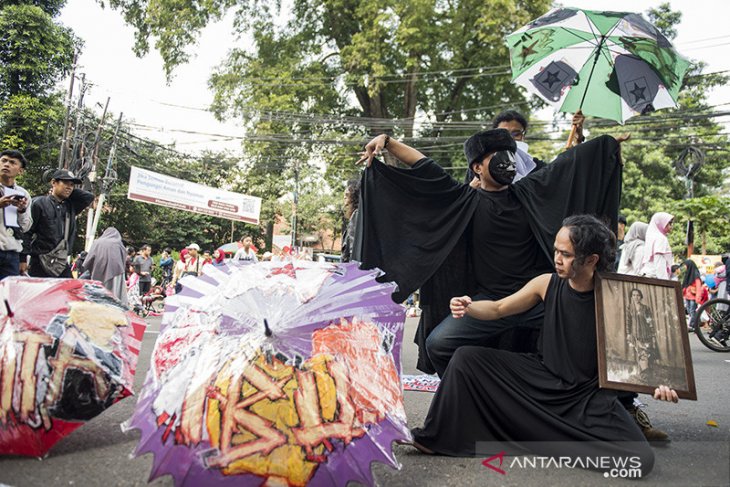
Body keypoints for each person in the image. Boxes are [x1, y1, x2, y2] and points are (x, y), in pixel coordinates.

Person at [410, 215, 679, 477]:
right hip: (542, 378)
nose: (557, 259)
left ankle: (538, 439)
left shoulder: (615, 296)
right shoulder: (546, 283)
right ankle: (436, 436)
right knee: (466, 359)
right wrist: (468, 307)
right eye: (556, 251)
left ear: (592, 260)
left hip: (588, 397)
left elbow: (642, 350)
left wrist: (658, 382)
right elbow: (498, 308)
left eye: (566, 254)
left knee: (639, 461)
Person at [356, 128, 623, 377]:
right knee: (438, 343)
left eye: (511, 154)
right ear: (477, 167)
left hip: (538, 298)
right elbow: (426, 168)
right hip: (488, 301)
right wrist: (388, 141)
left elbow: (568, 166)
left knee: (599, 338)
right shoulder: (465, 201)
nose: (507, 161)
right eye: (498, 155)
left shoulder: (529, 192)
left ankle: (619, 404)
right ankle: (472, 390)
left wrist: (607, 147)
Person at [28, 169, 94, 278]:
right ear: (54, 183)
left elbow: (88, 197)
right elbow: (27, 232)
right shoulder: (39, 203)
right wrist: (22, 258)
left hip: (60, 262)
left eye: (72, 185)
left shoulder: (69, 207)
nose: (69, 187)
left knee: (69, 291)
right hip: (39, 261)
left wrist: (68, 192)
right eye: (65, 183)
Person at [0, 150, 32, 279]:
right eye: (4, 161)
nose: (6, 165)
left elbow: (26, 227)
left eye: (12, 163)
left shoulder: (23, 194)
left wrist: (21, 210)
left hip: (11, 253)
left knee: (8, 296)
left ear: (20, 171)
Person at [82, 227, 128, 305]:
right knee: (115, 293)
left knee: (99, 292)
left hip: (98, 271)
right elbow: (124, 257)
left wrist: (90, 269)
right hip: (117, 272)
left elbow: (88, 260)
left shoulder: (97, 242)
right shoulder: (118, 243)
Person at [625, 288, 660, 383]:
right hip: (636, 335)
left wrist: (652, 334)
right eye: (634, 295)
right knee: (641, 354)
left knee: (647, 354)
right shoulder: (629, 308)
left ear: (641, 297)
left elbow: (649, 322)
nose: (636, 297)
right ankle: (645, 375)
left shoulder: (646, 308)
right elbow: (628, 321)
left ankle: (647, 374)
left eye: (638, 295)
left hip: (646, 334)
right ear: (631, 297)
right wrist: (628, 333)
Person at [640, 212, 674, 279]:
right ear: (661, 223)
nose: (671, 226)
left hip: (646, 274)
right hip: (655, 276)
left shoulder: (652, 237)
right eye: (669, 223)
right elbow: (659, 263)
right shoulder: (661, 238)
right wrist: (665, 283)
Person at [682, 259, 706, 332]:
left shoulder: (695, 274)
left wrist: (698, 298)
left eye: (685, 265)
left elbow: (698, 287)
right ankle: (696, 325)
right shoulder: (688, 274)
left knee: (692, 311)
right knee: (690, 311)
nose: (685, 267)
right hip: (687, 296)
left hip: (693, 296)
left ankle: (692, 326)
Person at [341, 178, 360, 263]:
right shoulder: (357, 214)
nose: (344, 196)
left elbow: (353, 248)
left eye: (347, 194)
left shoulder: (356, 215)